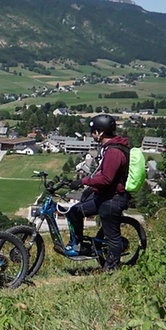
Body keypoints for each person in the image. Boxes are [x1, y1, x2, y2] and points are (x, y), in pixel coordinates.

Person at [66, 114, 130, 271]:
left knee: (113, 237)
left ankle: (111, 270)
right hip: (103, 195)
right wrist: (90, 188)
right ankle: (82, 245)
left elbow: (107, 179)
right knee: (74, 212)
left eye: (93, 131)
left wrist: (83, 181)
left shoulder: (114, 152)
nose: (92, 134)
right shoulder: (108, 149)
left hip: (113, 199)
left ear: (100, 132)